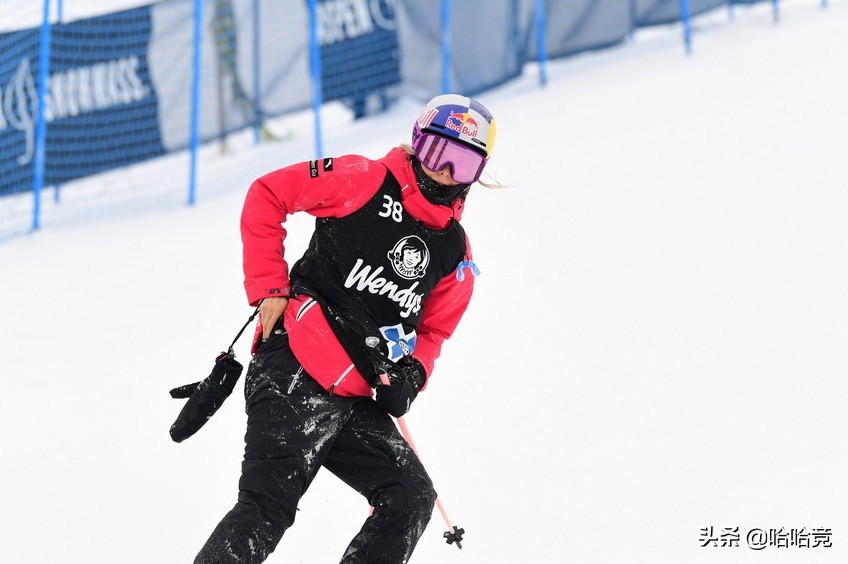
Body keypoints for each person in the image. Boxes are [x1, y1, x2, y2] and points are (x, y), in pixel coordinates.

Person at [193, 93, 498, 564]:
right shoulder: (363, 179)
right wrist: (269, 286)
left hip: (352, 396)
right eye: (439, 155)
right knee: (267, 510)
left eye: (463, 165)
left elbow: (434, 332)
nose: (445, 174)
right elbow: (267, 194)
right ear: (417, 145)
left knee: (410, 497)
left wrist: (412, 377)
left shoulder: (455, 254)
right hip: (293, 369)